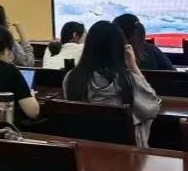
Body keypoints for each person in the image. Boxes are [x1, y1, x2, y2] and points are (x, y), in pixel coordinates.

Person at [63, 20, 161, 148]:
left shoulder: (71, 78)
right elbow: (152, 108)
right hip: (126, 155)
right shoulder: (128, 80)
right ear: (120, 48)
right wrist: (134, 67)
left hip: (84, 152)